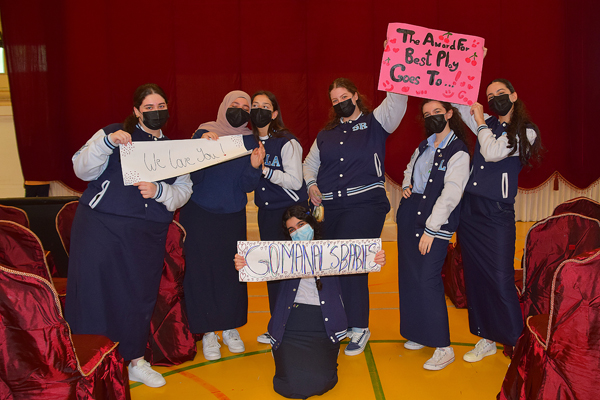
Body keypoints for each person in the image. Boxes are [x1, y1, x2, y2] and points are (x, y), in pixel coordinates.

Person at [65, 83, 193, 388]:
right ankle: (91, 362)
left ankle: (135, 360)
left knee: (139, 295)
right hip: (100, 228)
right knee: (95, 294)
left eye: (160, 106)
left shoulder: (176, 150)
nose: (155, 112)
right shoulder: (114, 133)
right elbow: (81, 169)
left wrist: (159, 191)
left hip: (146, 233)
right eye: (148, 107)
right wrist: (106, 143)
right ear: (136, 111)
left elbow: (183, 192)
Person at [234, 205, 386, 398]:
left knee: (321, 381)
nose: (297, 231)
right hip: (291, 321)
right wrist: (244, 263)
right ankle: (280, 346)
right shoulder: (283, 254)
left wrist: (374, 258)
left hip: (323, 321)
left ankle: (326, 350)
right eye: (292, 229)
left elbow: (358, 261)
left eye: (301, 225)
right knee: (289, 385)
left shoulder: (333, 251)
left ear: (312, 224)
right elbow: (257, 263)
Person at [303, 77, 407, 355]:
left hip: (365, 204)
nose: (340, 103)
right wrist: (311, 184)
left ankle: (359, 327)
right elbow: (310, 163)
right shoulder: (326, 133)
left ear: (356, 95)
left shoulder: (376, 122)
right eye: (334, 100)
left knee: (351, 260)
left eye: (344, 97)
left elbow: (397, 101)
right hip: (329, 207)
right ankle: (341, 323)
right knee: (330, 265)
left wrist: (396, 69)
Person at [453, 78, 542, 362]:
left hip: (497, 213)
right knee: (476, 277)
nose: (494, 99)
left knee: (501, 278)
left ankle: (517, 343)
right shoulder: (488, 123)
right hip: (471, 210)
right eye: (490, 96)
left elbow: (492, 153)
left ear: (514, 96)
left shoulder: (525, 131)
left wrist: (480, 121)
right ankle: (486, 338)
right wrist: (465, 66)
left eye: (500, 93)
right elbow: (457, 101)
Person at [179, 90, 265, 361]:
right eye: (235, 104)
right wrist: (201, 148)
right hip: (199, 214)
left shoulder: (250, 140)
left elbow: (247, 186)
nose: (240, 109)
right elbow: (194, 177)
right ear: (223, 106)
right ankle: (207, 332)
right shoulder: (204, 132)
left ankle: (230, 327)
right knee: (201, 272)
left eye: (245, 107)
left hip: (233, 215)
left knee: (232, 272)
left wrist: (254, 167)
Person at [397, 100, 470, 370]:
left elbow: (451, 193)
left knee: (427, 279)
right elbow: (410, 169)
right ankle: (419, 333)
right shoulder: (423, 146)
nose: (432, 117)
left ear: (449, 114)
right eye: (427, 114)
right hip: (410, 216)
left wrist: (431, 228)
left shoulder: (458, 151)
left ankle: (443, 347)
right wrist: (407, 184)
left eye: (437, 112)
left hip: (435, 223)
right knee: (410, 277)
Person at [249, 90, 308, 344]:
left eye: (265, 106)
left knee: (294, 271)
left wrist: (265, 170)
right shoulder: (248, 142)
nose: (259, 110)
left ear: (274, 113)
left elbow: (295, 182)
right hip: (266, 213)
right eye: (255, 105)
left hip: (290, 214)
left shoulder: (287, 142)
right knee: (272, 271)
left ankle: (298, 326)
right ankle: (277, 326)